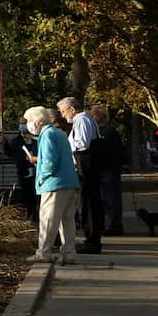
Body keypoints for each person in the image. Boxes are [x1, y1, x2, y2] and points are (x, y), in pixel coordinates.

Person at [24, 106, 80, 265]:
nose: (27, 124)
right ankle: (69, 253)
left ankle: (44, 252)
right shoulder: (59, 133)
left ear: (38, 121)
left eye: (28, 121)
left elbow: (49, 161)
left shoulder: (47, 135)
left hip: (54, 184)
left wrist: (42, 178)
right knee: (67, 220)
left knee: (48, 219)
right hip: (70, 182)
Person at [59, 96, 103, 254]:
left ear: (72, 109)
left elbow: (83, 143)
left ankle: (92, 239)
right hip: (85, 163)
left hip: (85, 163)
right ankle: (91, 237)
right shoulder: (84, 119)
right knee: (88, 201)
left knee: (88, 201)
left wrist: (65, 144)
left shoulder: (81, 120)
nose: (63, 115)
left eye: (63, 111)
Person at [90, 105, 125, 235]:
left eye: (93, 115)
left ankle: (114, 226)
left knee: (110, 199)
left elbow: (114, 153)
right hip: (105, 171)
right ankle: (108, 224)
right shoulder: (101, 131)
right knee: (106, 199)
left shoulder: (108, 132)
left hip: (108, 171)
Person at [3, 117, 38, 222]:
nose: (22, 126)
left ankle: (37, 216)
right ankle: (30, 216)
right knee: (26, 195)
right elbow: (10, 154)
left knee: (37, 196)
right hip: (23, 172)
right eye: (20, 124)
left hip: (37, 172)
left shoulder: (37, 139)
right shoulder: (16, 141)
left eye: (24, 124)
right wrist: (5, 144)